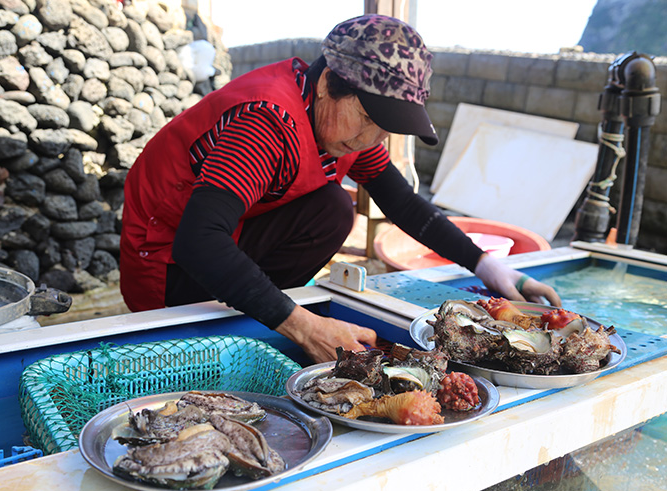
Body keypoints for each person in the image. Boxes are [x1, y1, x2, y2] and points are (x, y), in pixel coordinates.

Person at [120, 14, 561, 364]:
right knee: (329, 213)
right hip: (167, 261)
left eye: (383, 128)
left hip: (232, 234)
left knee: (332, 209)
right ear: (330, 82)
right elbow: (199, 242)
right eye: (367, 119)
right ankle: (276, 321)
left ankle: (265, 312)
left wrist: (486, 267)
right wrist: (303, 325)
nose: (370, 139)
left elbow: (402, 203)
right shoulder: (266, 120)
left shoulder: (342, 127)